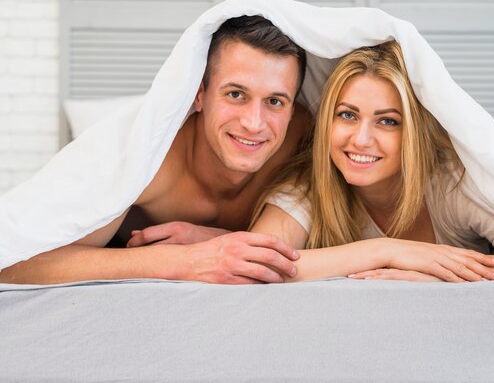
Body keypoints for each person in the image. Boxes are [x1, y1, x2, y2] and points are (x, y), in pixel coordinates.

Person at [248, 40, 494, 282]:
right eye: (347, 115)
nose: (360, 139)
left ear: (414, 133)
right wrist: (386, 252)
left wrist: (447, 275)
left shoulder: (453, 185)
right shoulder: (310, 186)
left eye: (388, 121)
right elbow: (255, 264)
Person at [0, 16, 310, 285]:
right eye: (235, 94)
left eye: (275, 102)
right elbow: (15, 261)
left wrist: (217, 240)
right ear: (199, 95)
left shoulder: (303, 146)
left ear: (293, 108)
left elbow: (295, 250)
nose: (254, 123)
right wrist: (182, 261)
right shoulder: (145, 156)